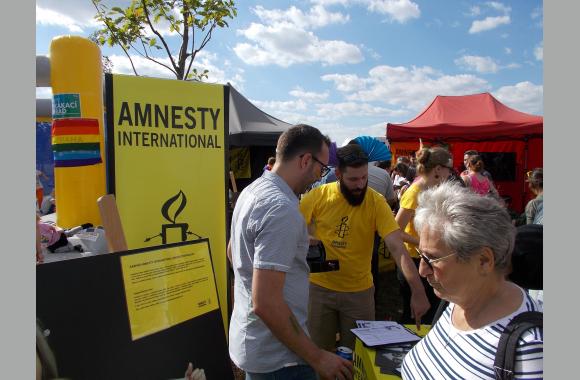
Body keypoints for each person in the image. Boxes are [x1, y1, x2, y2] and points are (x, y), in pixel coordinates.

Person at [228, 124, 353, 380]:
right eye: (322, 167)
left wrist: (290, 245)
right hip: (280, 358)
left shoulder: (252, 191)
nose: (320, 176)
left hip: (255, 342)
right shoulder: (281, 208)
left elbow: (234, 251)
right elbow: (266, 303)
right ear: (305, 160)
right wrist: (317, 357)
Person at [401, 182, 543, 379]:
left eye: (431, 259)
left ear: (483, 261)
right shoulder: (457, 299)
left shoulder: (530, 350)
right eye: (421, 255)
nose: (422, 270)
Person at [299, 144, 430, 351]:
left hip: (359, 293)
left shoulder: (376, 202)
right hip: (319, 290)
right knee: (319, 352)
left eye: (364, 177)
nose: (360, 185)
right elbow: (295, 231)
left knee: (358, 355)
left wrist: (418, 290)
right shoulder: (317, 197)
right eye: (353, 179)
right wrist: (305, 237)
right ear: (339, 174)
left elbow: (397, 247)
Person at [395, 146, 453, 325]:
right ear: (438, 169)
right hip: (413, 262)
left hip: (427, 260)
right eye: (449, 168)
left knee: (432, 310)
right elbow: (395, 229)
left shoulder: (431, 189)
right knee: (416, 315)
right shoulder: (415, 192)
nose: (450, 174)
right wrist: (421, 242)